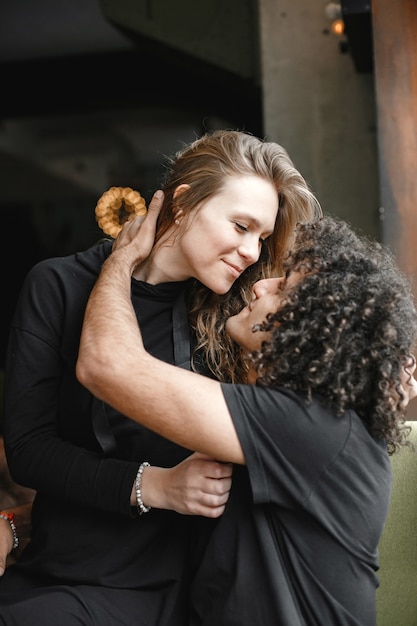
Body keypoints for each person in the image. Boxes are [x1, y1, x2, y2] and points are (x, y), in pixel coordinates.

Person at [0, 129, 322, 625]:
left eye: (261, 237)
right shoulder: (58, 285)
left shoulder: (240, 319)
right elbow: (29, 449)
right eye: (240, 226)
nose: (253, 253)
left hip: (192, 583)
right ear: (185, 202)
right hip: (67, 572)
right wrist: (155, 486)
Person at [75, 202, 417, 625]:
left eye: (282, 288)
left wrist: (122, 258)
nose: (259, 286)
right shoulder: (324, 426)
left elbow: (106, 365)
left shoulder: (310, 426)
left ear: (312, 327)